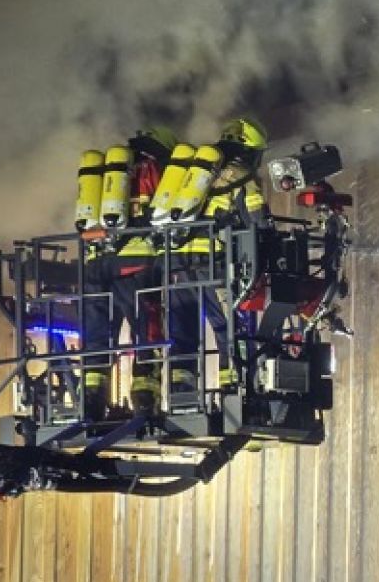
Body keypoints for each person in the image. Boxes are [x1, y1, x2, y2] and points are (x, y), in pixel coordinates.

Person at [155, 116, 270, 403]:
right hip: (213, 264)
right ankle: (235, 392)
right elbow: (258, 221)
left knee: (182, 333)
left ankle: (182, 397)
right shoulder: (242, 176)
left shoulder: (197, 172)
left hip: (176, 264)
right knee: (229, 329)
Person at [73, 125, 178, 419]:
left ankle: (92, 397)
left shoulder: (110, 174)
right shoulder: (158, 170)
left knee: (96, 333)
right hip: (137, 263)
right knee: (147, 330)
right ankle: (144, 397)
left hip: (96, 262)